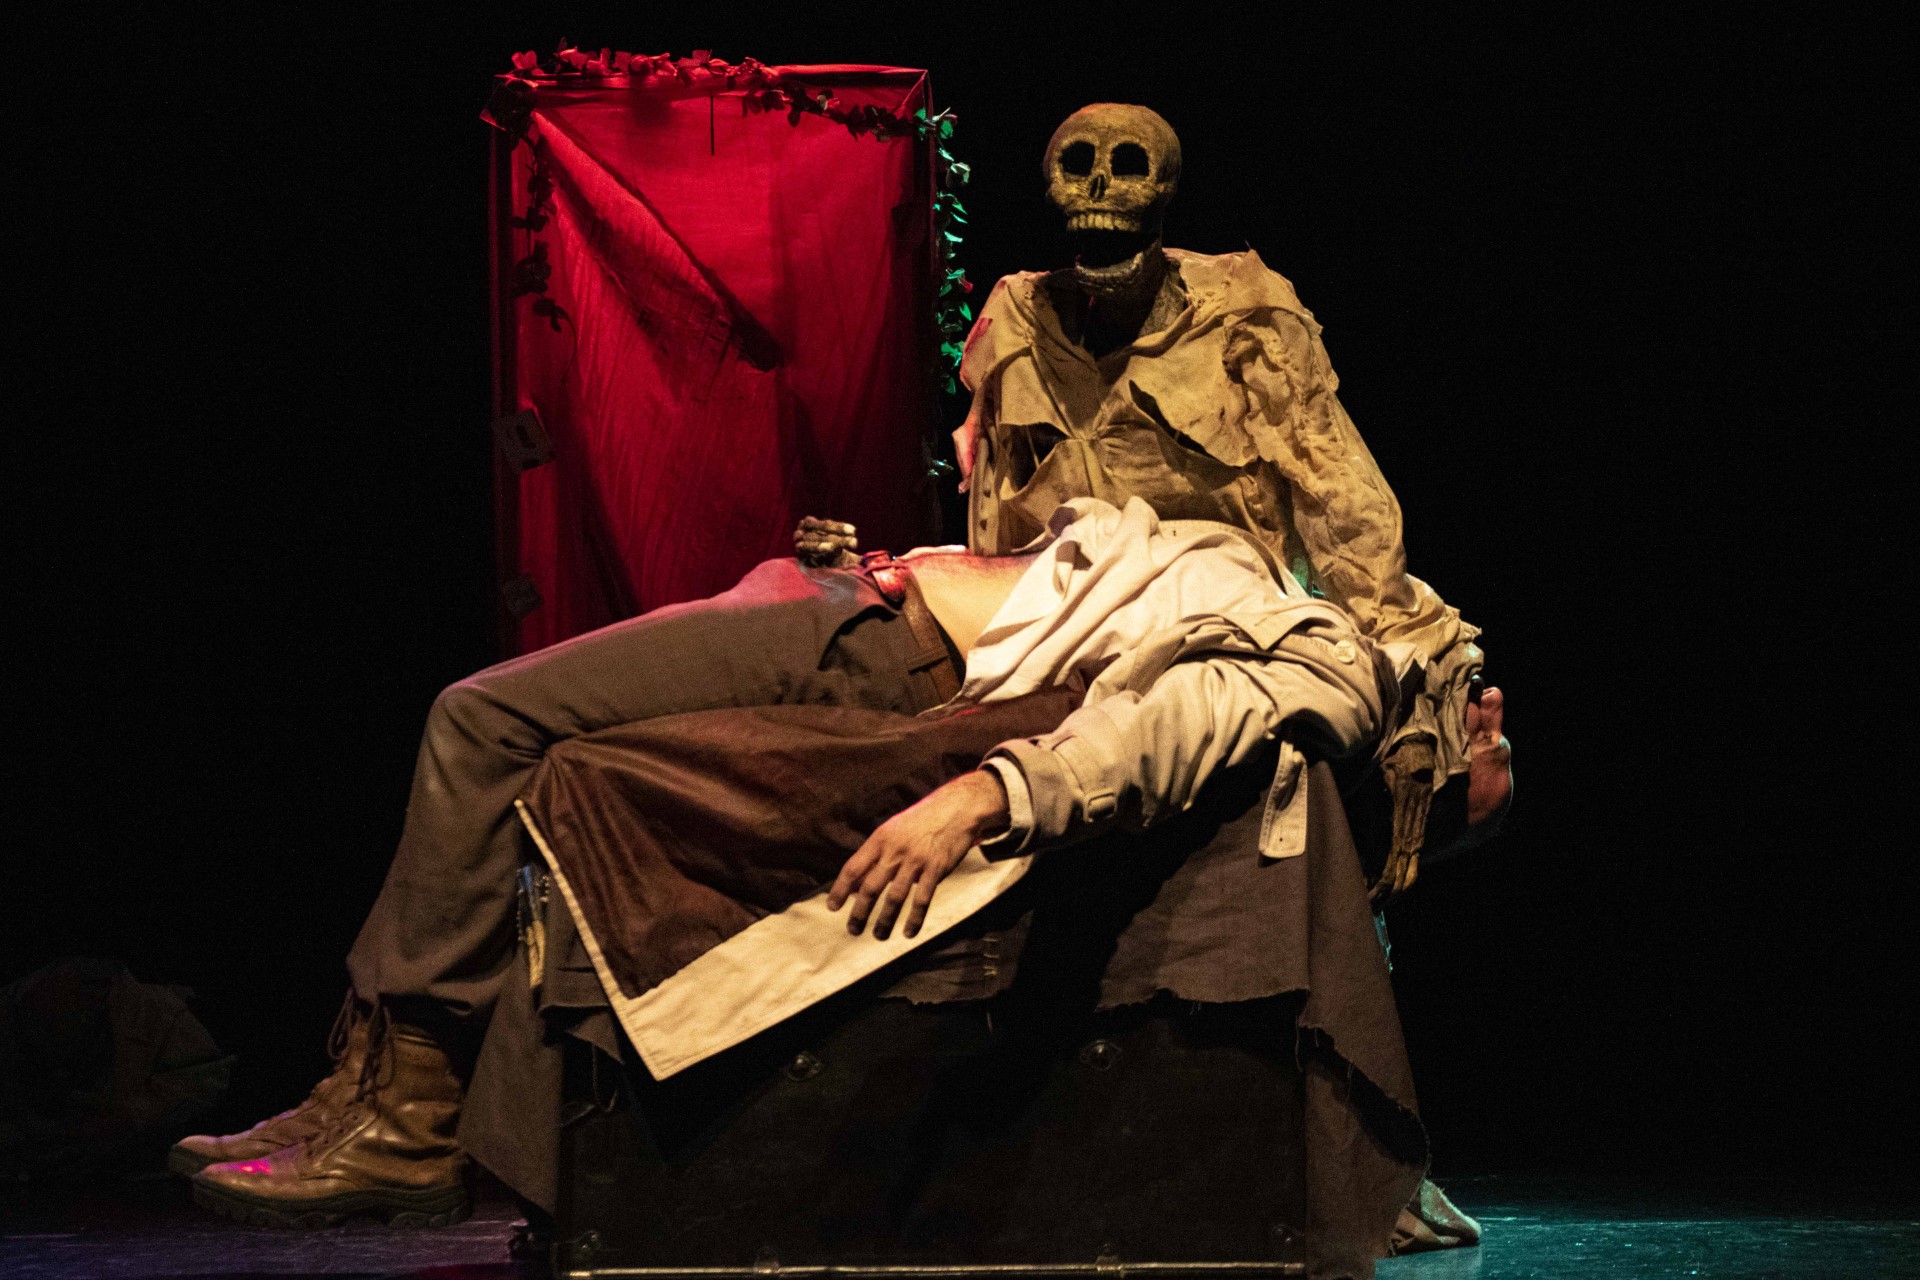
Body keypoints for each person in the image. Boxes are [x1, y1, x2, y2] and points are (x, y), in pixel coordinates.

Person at [175, 497, 1510, 1234]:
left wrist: (990, 792)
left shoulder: (1329, 666)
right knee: (496, 725)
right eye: (1490, 712)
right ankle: (364, 1082)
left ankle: (410, 1110)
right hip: (847, 602)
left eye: (1493, 738)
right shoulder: (1289, 597)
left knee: (481, 718)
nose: (1490, 702)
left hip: (870, 644)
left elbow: (1162, 735)